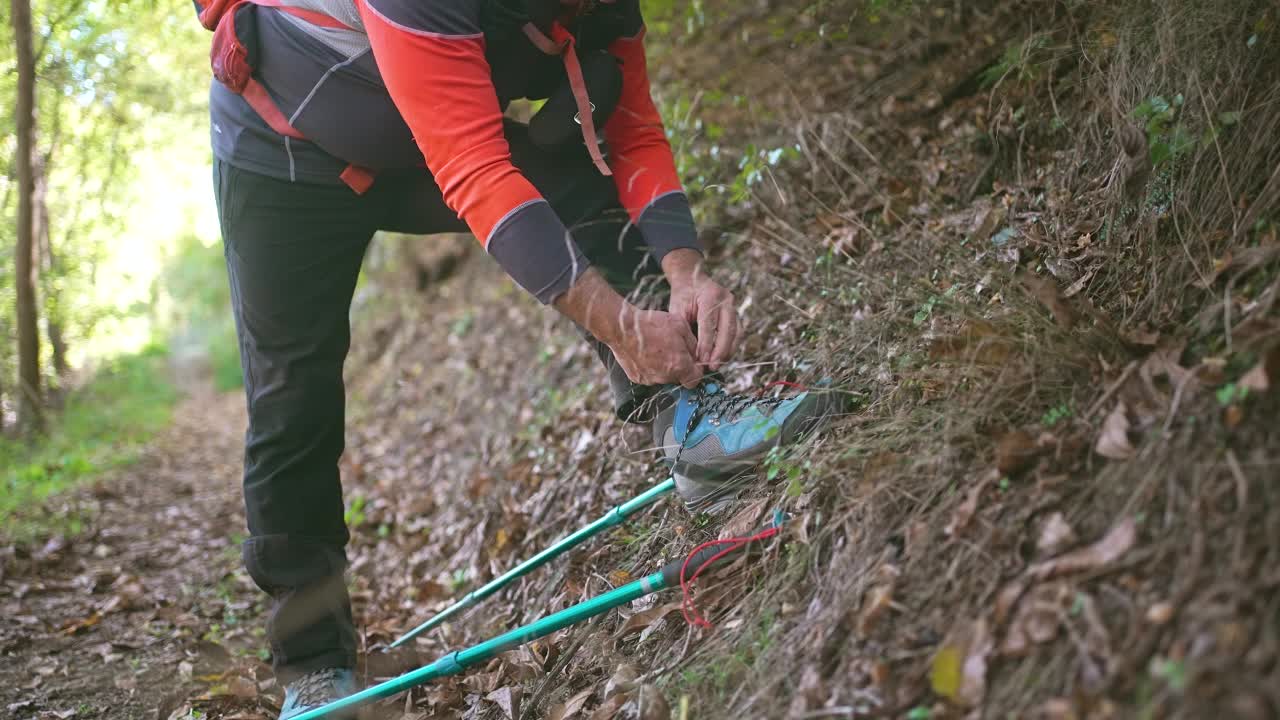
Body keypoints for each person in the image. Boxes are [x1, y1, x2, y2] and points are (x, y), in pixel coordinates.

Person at [197, 0, 838, 715]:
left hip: (415, 136)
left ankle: (691, 419)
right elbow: (474, 169)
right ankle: (315, 664)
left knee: (573, 167)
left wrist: (684, 270)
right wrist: (619, 322)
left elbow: (630, 133)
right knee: (292, 398)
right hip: (280, 153)